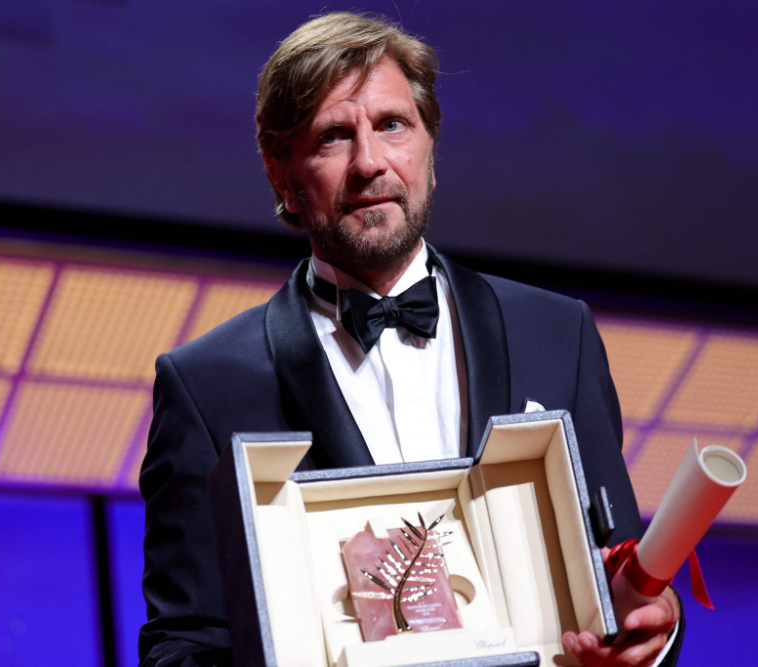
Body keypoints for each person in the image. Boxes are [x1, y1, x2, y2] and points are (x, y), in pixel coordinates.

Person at [140, 12, 683, 667]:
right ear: (281, 174)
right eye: (333, 137)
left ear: (429, 147)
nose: (370, 162)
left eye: (392, 125)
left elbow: (622, 588)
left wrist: (650, 636)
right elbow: (182, 647)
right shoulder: (205, 388)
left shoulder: (557, 333)